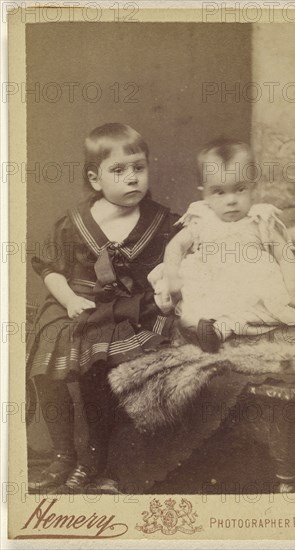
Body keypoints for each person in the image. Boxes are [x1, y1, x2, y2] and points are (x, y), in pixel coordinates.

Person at [27, 123, 179, 492]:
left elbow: (177, 267)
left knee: (98, 370)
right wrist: (68, 299)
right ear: (95, 179)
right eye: (118, 170)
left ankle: (93, 457)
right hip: (73, 300)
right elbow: (49, 268)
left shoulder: (162, 223)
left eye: (139, 168)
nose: (132, 178)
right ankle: (62, 454)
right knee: (48, 359)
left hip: (126, 309)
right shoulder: (74, 222)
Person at [150, 137, 295, 353]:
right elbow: (175, 247)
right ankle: (203, 328)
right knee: (191, 312)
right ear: (204, 192)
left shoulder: (258, 220)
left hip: (252, 286)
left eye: (240, 189)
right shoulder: (201, 220)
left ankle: (219, 331)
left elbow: (284, 254)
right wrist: (173, 275)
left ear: (253, 187)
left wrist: (292, 290)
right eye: (220, 192)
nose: (231, 200)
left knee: (264, 310)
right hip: (212, 283)